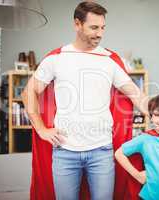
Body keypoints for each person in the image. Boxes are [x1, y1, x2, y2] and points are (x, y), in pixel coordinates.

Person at [21, 1, 148, 200]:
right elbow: (28, 92)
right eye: (94, 27)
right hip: (64, 152)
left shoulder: (109, 60)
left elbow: (136, 95)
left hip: (102, 151)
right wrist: (41, 129)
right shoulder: (57, 58)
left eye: (103, 28)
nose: (100, 33)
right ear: (77, 24)